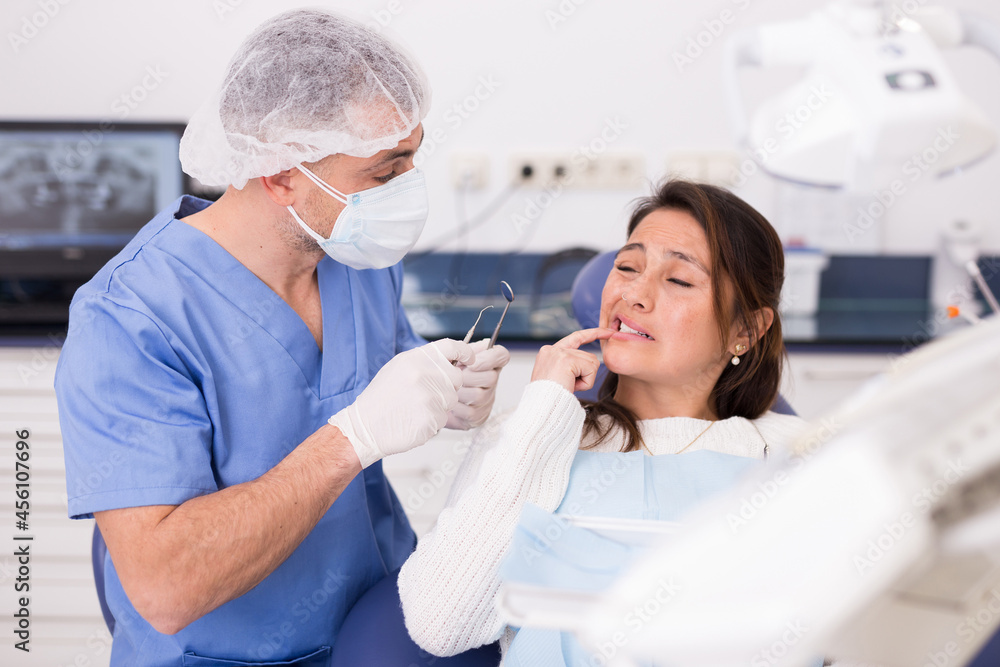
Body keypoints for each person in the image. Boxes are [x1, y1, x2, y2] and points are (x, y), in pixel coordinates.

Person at [54, 9, 509, 666]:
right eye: (386, 170)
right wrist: (352, 437)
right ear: (281, 172)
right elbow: (165, 584)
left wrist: (448, 387)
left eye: (413, 157)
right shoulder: (130, 318)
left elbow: (371, 370)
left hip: (374, 630)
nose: (409, 187)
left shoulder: (354, 254)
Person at [398, 179, 809, 663]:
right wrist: (541, 414)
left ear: (745, 330)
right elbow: (439, 624)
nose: (634, 292)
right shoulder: (530, 433)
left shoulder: (795, 454)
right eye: (627, 267)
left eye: (678, 280)